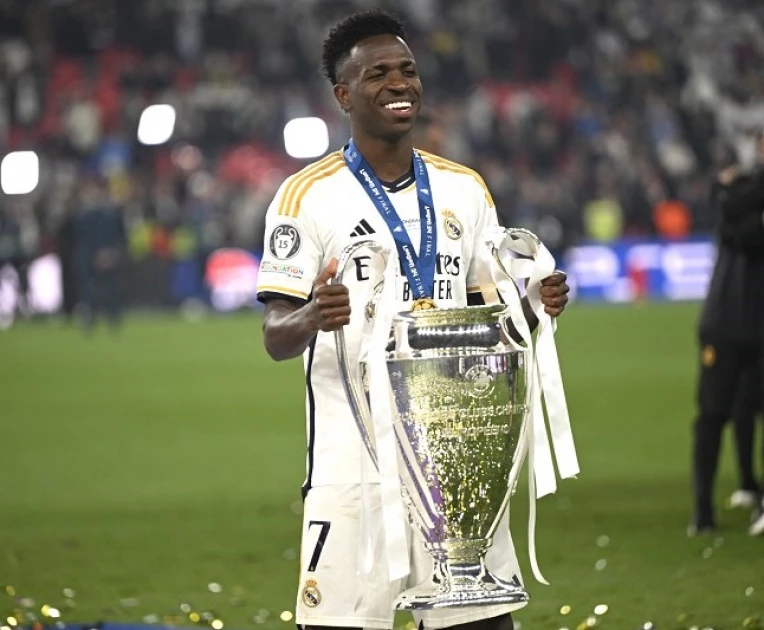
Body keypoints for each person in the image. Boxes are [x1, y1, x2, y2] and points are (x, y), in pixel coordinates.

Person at [256, 11, 570, 630]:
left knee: (482, 624)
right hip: (353, 467)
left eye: (407, 70)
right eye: (378, 74)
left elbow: (492, 325)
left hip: (456, 461)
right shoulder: (305, 197)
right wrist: (315, 314)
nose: (399, 83)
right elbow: (274, 335)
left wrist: (534, 308)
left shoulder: (465, 189)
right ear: (344, 95)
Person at [690, 131, 764, 537]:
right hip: (725, 322)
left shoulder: (739, 190)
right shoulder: (740, 189)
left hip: (750, 321)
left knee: (740, 411)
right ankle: (702, 511)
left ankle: (751, 488)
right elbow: (727, 210)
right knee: (715, 413)